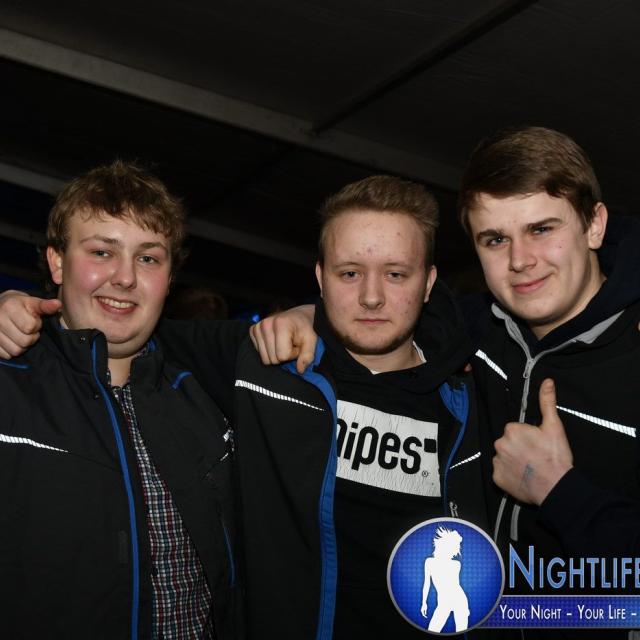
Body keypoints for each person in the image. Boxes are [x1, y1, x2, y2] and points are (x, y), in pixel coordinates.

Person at [0, 160, 247, 639]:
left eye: (148, 259)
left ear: (170, 278)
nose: (126, 278)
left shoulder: (204, 395)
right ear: (57, 262)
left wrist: (300, 318)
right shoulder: (11, 387)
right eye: (101, 252)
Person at [458, 126, 640, 573]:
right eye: (495, 239)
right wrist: (310, 318)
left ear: (594, 226)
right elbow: (383, 308)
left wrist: (559, 491)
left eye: (541, 229)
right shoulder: (473, 328)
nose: (520, 260)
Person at [421, 527, 469, 633]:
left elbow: (456, 585)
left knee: (461, 631)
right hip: (443, 602)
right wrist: (424, 603)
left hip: (459, 600)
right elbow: (426, 584)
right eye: (455, 547)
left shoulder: (456, 564)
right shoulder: (429, 562)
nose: (456, 551)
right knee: (432, 630)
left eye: (456, 547)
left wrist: (465, 608)